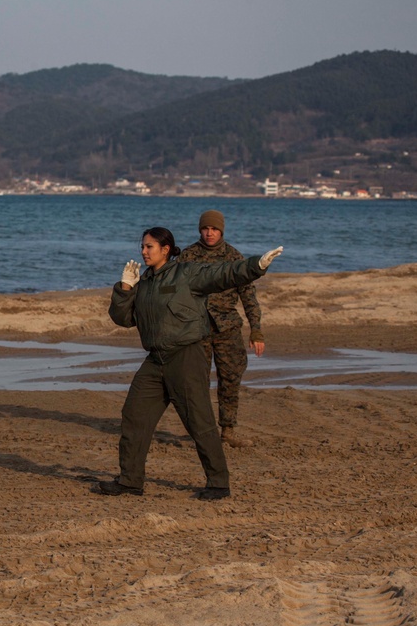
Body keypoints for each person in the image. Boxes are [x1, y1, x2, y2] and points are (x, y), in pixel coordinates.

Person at [95, 227, 282, 500]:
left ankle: (218, 483)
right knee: (134, 417)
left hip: (185, 356)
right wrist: (125, 288)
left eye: (149, 247)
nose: (143, 252)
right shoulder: (143, 282)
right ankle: (130, 481)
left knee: (199, 421)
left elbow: (224, 274)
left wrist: (257, 265)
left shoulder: (187, 273)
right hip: (155, 360)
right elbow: (123, 319)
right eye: (143, 247)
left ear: (165, 249)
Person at [179, 210, 263, 448]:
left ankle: (228, 430)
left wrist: (256, 330)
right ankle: (203, 432)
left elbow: (248, 296)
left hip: (227, 329)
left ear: (221, 231)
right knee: (197, 383)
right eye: (206, 229)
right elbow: (174, 291)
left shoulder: (234, 257)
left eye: (214, 229)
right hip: (197, 329)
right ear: (200, 230)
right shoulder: (188, 256)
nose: (209, 233)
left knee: (230, 378)